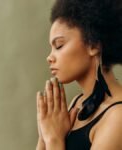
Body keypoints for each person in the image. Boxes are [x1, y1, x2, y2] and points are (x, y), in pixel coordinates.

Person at [36, 0, 122, 149]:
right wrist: (44, 136)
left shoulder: (117, 117)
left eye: (59, 46)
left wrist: (54, 140)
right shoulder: (77, 103)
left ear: (93, 45)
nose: (49, 57)